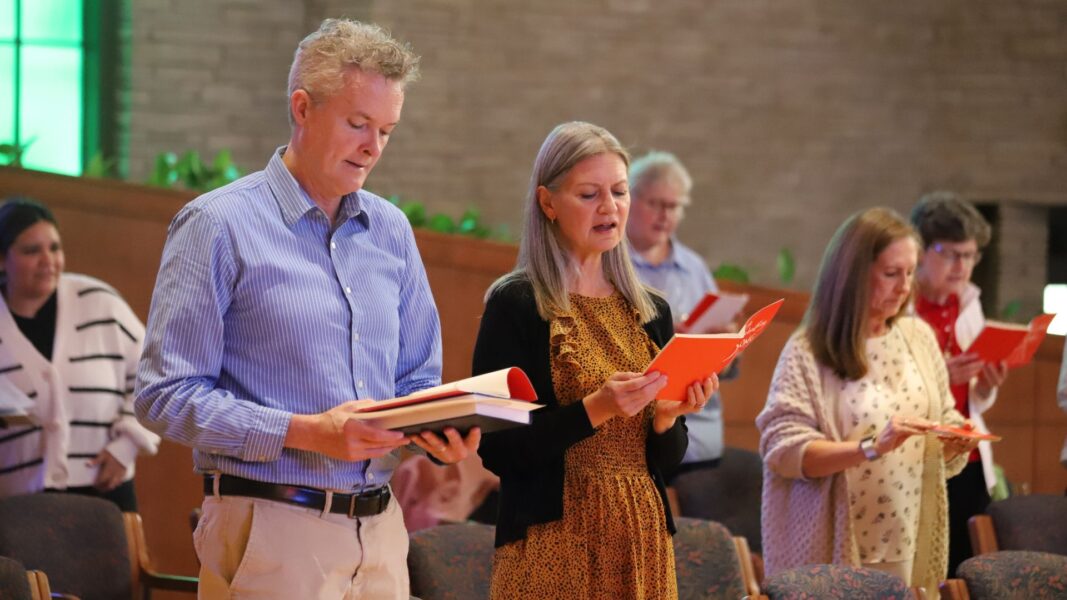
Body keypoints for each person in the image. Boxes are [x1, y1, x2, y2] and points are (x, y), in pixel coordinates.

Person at [135, 19, 478, 600]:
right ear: (302, 108)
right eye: (358, 124)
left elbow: (415, 379)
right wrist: (307, 433)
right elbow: (163, 395)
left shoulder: (390, 230)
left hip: (381, 533)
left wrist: (436, 428)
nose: (373, 147)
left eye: (386, 130)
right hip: (271, 529)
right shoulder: (217, 225)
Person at [471, 121, 717, 599]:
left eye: (620, 192)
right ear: (548, 203)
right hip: (553, 541)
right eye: (589, 194)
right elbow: (498, 450)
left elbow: (663, 460)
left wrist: (667, 419)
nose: (610, 207)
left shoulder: (652, 310)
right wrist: (596, 409)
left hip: (641, 534)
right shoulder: (516, 303)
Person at [757, 207, 978, 596]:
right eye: (892, 273)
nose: (904, 287)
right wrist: (872, 447)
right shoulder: (808, 350)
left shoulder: (919, 337)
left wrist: (956, 436)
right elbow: (783, 449)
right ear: (854, 276)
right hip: (835, 541)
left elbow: (942, 415)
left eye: (911, 273)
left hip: (908, 534)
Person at [0, 197, 159, 511]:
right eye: (31, 251)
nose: (48, 261)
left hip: (105, 495)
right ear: (2, 260)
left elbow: (157, 374)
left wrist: (128, 444)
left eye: (54, 248)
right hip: (17, 509)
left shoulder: (99, 302)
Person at [909, 192, 1007, 575]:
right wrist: (941, 376)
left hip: (969, 454)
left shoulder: (968, 303)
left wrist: (985, 387)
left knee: (967, 568)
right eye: (950, 254)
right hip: (921, 457)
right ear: (920, 251)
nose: (961, 266)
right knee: (925, 570)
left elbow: (973, 400)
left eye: (969, 255)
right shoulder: (902, 305)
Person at [626, 150, 740, 479]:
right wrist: (664, 335)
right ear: (630, 199)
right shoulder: (610, 263)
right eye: (656, 204)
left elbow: (726, 369)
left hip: (698, 427)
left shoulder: (694, 267)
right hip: (635, 422)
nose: (665, 216)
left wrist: (723, 347)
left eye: (673, 206)